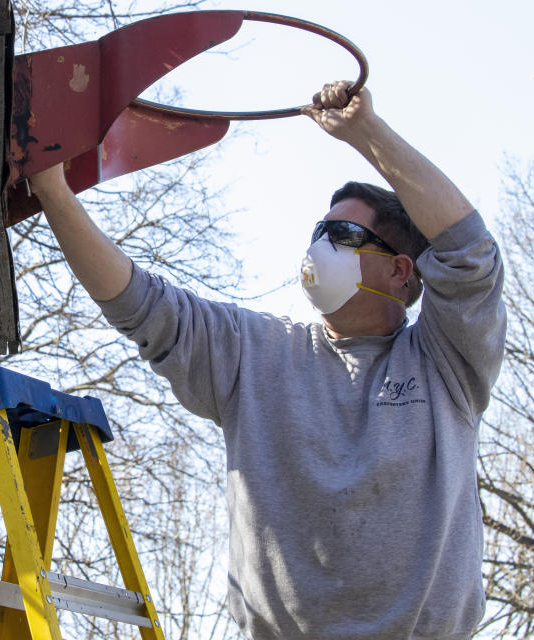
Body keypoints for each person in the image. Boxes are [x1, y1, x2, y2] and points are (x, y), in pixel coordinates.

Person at [29, 80, 506, 639]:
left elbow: (469, 254)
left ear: (402, 272)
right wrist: (52, 191)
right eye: (317, 232)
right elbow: (145, 307)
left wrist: (365, 133)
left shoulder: (443, 361)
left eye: (343, 234)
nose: (320, 247)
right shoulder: (257, 354)